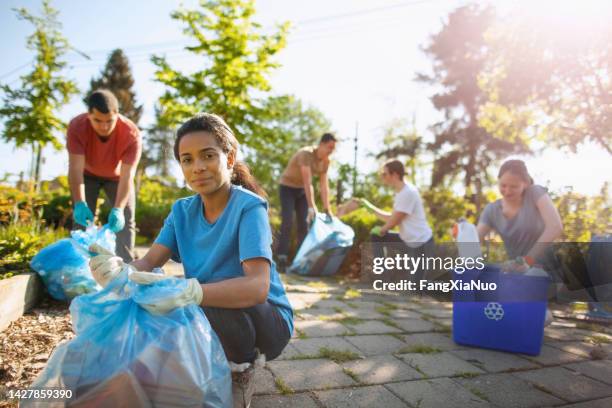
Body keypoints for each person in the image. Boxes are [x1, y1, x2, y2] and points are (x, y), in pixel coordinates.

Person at [89, 113, 293, 408]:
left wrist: (189, 291)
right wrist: (118, 272)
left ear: (230, 157)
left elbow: (257, 287)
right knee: (156, 297)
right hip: (213, 307)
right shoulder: (182, 211)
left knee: (198, 293)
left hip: (266, 322)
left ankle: (241, 369)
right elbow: (149, 263)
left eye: (208, 155)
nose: (197, 167)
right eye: (187, 159)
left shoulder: (249, 208)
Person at [67, 89, 141, 262]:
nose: (104, 126)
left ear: (117, 114)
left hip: (117, 178)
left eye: (110, 121)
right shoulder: (77, 127)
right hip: (86, 175)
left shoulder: (131, 134)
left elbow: (127, 176)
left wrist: (118, 209)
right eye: (97, 120)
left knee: (126, 220)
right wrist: (79, 203)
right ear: (89, 115)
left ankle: (127, 268)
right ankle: (79, 268)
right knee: (81, 222)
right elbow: (75, 169)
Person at [477, 159, 563, 270]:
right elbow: (474, 239)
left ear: (525, 184)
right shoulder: (492, 210)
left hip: (547, 271)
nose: (507, 191)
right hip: (516, 273)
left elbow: (555, 227)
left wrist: (528, 260)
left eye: (514, 187)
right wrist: (463, 233)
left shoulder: (535, 193)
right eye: (503, 185)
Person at [360, 159, 434, 280]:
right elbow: (393, 217)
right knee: (376, 236)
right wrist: (371, 208)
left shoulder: (408, 192)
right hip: (407, 241)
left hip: (422, 244)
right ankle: (382, 276)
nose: (382, 177)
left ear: (395, 174)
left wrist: (382, 229)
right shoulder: (401, 193)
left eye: (385, 174)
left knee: (416, 288)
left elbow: (395, 221)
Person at [276, 133, 337, 270]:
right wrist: (312, 206)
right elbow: (307, 182)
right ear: (321, 144)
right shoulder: (306, 154)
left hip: (302, 191)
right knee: (287, 222)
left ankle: (300, 261)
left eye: (333, 148)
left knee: (304, 225)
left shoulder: (326, 161)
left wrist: (327, 209)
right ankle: (281, 258)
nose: (331, 151)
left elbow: (323, 186)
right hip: (287, 188)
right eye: (329, 147)